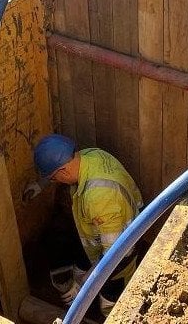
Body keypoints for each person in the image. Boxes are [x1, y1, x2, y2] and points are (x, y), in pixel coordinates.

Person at [31, 133, 143, 317]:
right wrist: (39, 185)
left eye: (53, 178)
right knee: (80, 266)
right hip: (111, 229)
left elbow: (113, 256)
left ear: (63, 172)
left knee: (111, 303)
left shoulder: (99, 197)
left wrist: (83, 286)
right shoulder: (91, 155)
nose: (54, 182)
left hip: (122, 256)